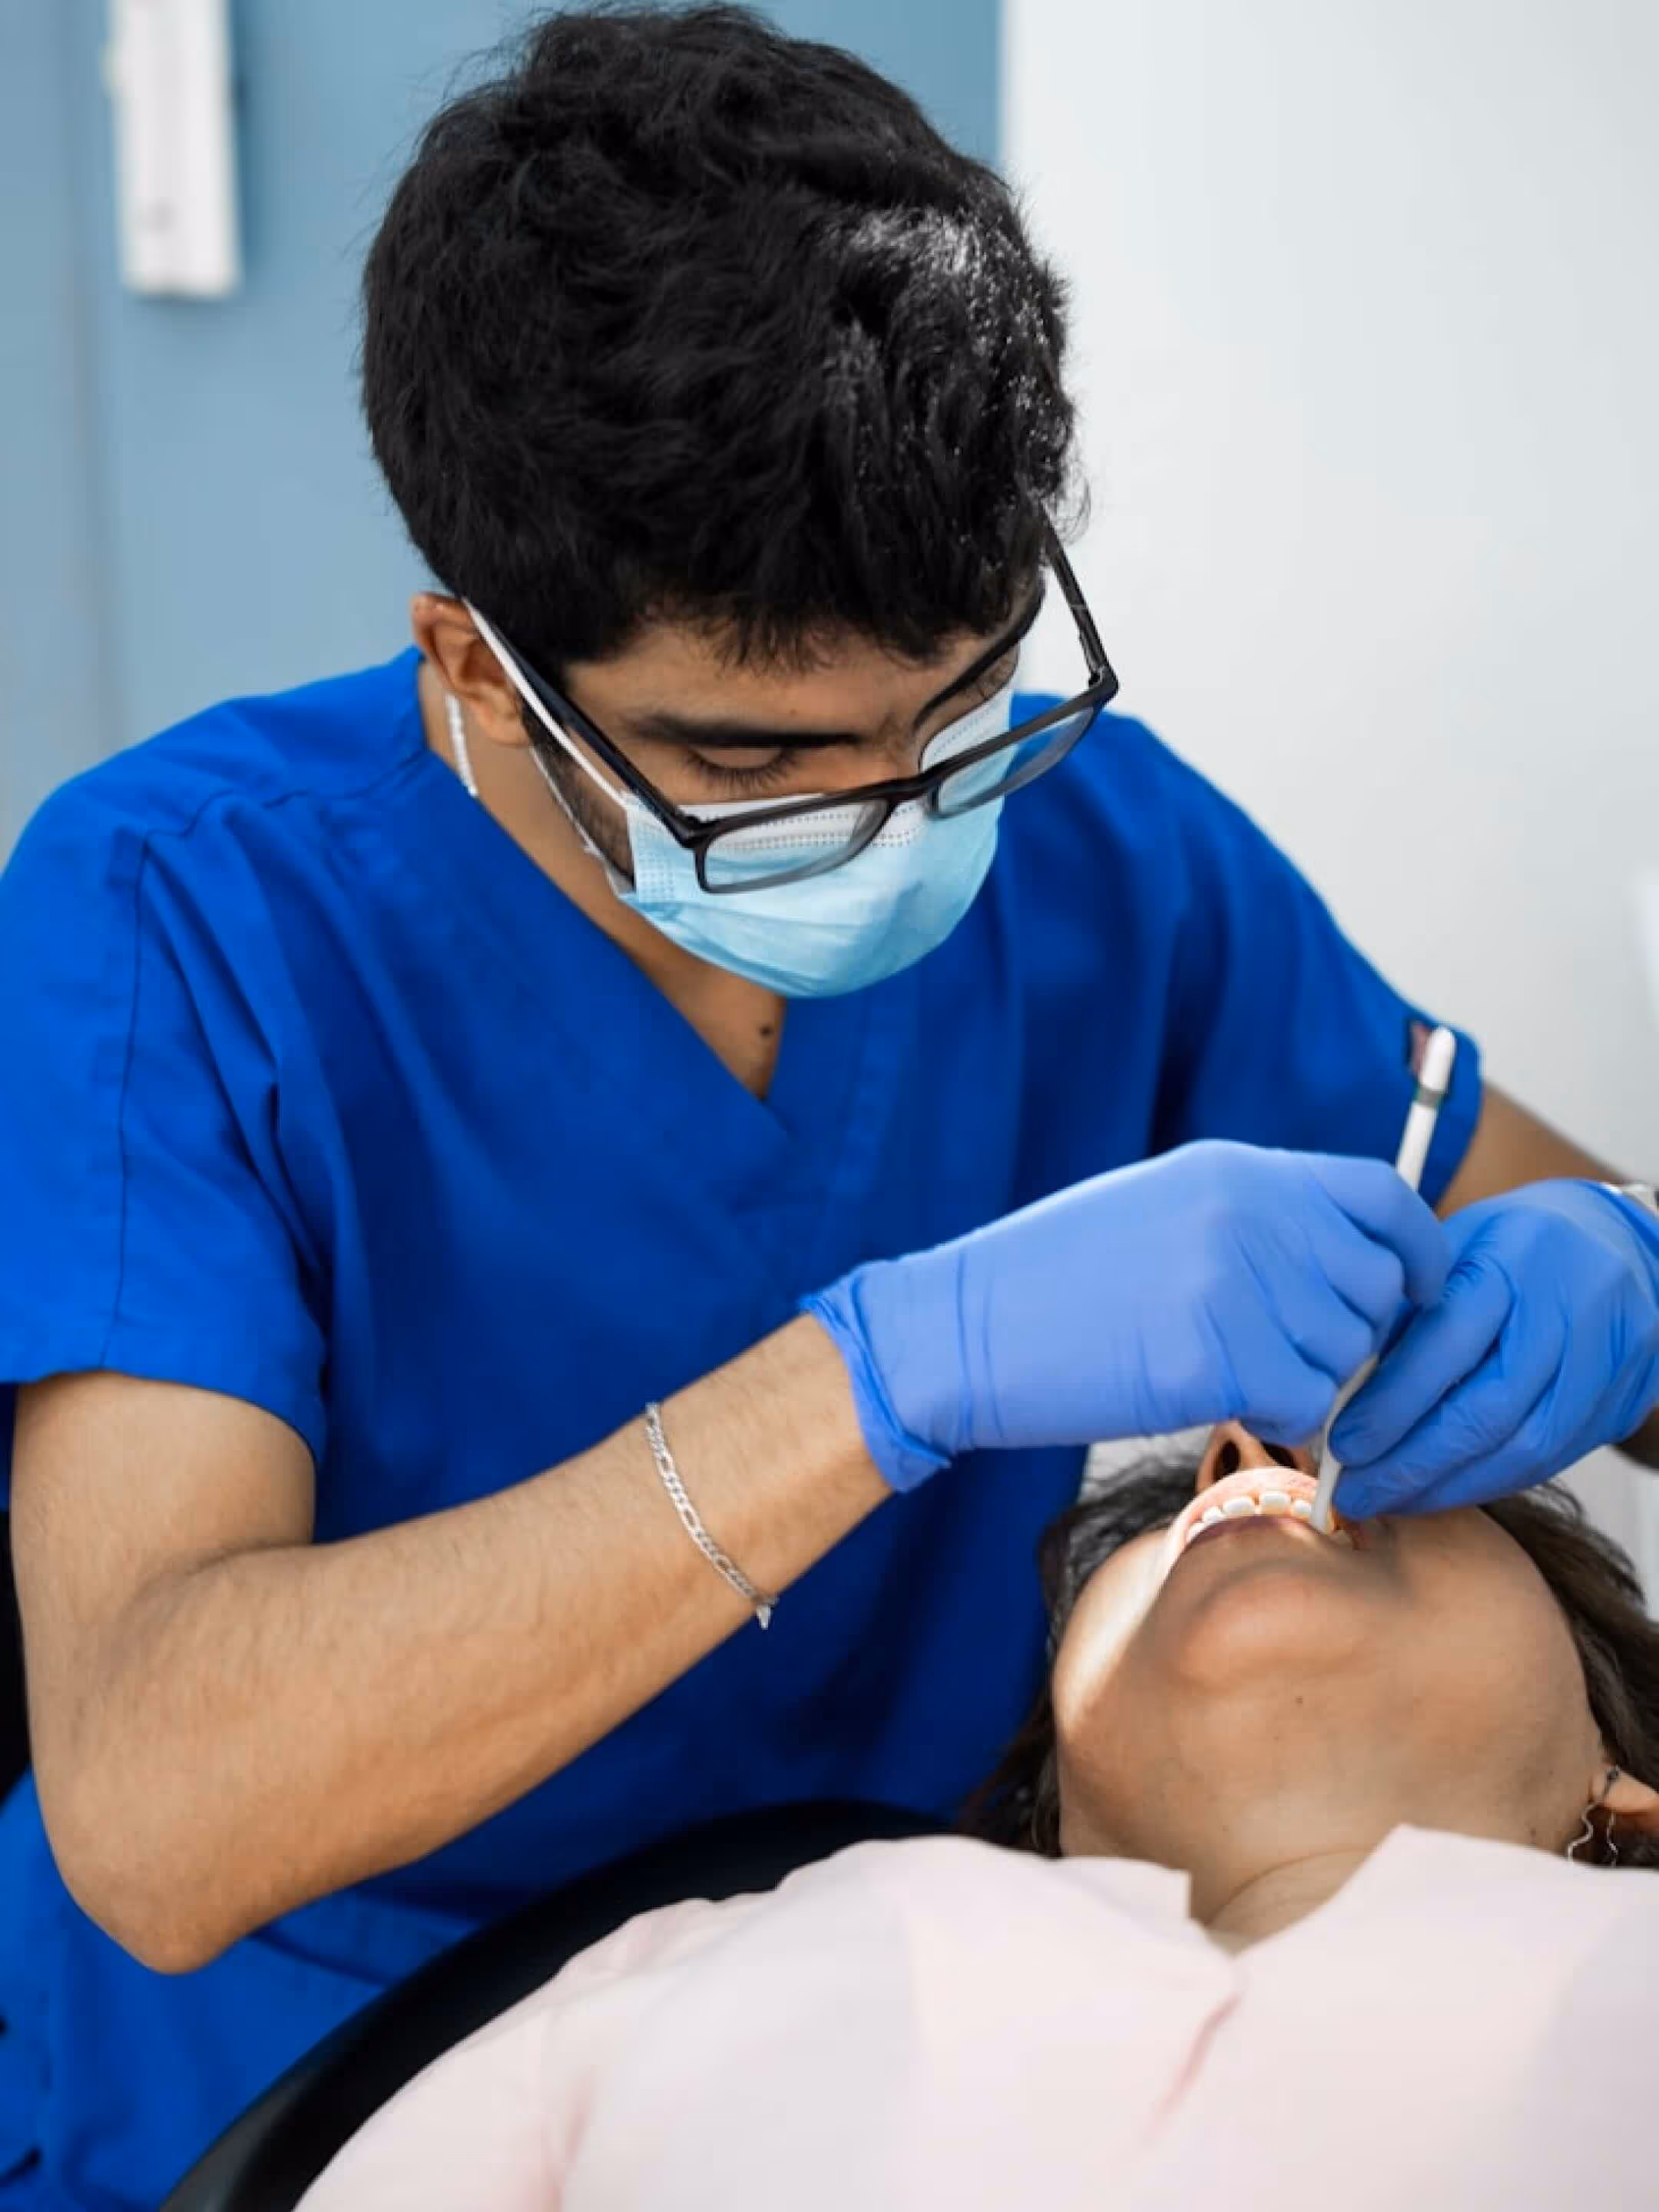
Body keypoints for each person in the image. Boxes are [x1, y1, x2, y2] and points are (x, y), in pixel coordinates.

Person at [2, 8, 1659, 2204]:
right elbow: (159, 1807)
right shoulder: (180, 913)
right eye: (762, 765)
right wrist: (882, 1376)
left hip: (952, 2037)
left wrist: (1622, 1273)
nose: (904, 816)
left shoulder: (1103, 851)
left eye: (959, 703)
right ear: (478, 671)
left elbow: (1570, 1243)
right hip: (315, 2081)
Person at [295, 1421, 1659, 2210]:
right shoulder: (708, 1955)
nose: (1243, 1454)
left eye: (1425, 1482)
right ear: (1057, 1815)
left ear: (1632, 1806)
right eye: (1172, 1520)